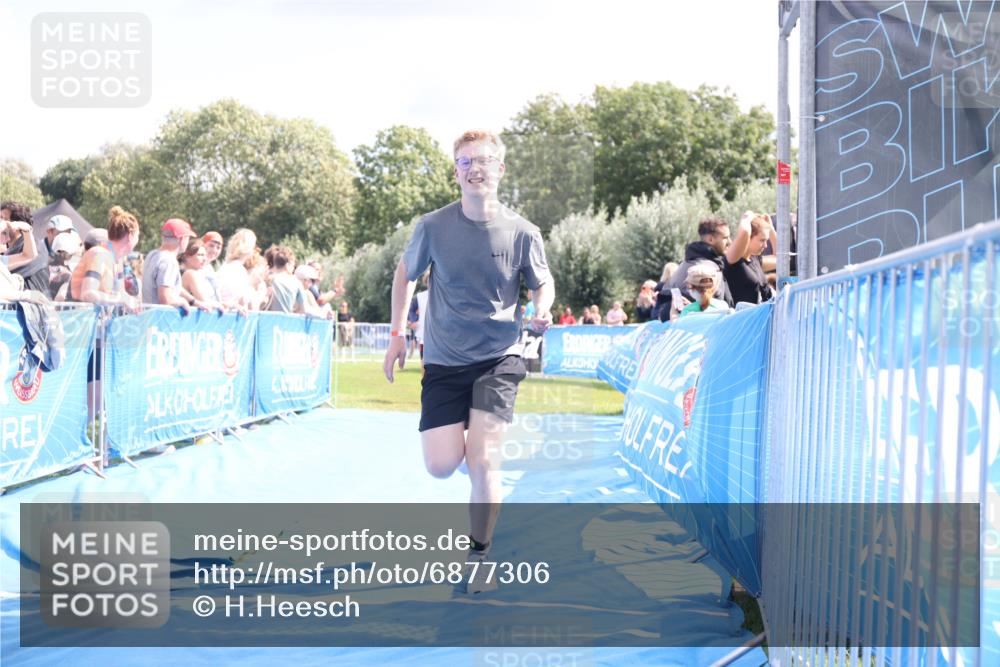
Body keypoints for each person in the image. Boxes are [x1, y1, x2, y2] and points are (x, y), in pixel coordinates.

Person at [382, 128, 554, 594]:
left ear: (501, 169)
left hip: (499, 357)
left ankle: (479, 558)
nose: (476, 168)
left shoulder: (523, 232)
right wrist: (397, 335)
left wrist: (542, 307)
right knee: (441, 465)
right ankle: (473, 461)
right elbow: (405, 276)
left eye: (484, 161)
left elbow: (542, 282)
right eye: (466, 162)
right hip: (443, 359)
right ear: (456, 172)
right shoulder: (433, 226)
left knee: (484, 461)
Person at [67, 206, 142, 424]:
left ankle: (87, 439)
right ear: (131, 235)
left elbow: (118, 294)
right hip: (80, 333)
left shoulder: (115, 259)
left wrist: (129, 302)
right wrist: (122, 300)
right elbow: (88, 293)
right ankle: (79, 440)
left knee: (98, 397)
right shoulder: (100, 255)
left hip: (96, 334)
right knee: (89, 397)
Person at [655, 218, 735, 321]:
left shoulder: (686, 264)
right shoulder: (708, 269)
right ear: (711, 239)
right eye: (725, 238)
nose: (730, 242)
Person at [724, 211, 776, 306]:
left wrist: (771, 229)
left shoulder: (755, 259)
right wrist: (747, 217)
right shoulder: (733, 259)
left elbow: (782, 259)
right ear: (748, 238)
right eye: (762, 240)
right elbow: (745, 232)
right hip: (744, 315)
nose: (765, 245)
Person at [266, 246, 331, 318]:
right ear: (288, 265)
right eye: (293, 266)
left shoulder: (267, 279)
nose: (293, 269)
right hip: (284, 322)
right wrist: (324, 315)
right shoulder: (296, 283)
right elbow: (305, 309)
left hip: (265, 322)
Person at [1, 201, 48, 295]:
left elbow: (28, 256)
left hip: (29, 302)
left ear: (17, 224)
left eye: (4, 219)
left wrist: (26, 230)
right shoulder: (7, 250)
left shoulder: (35, 246)